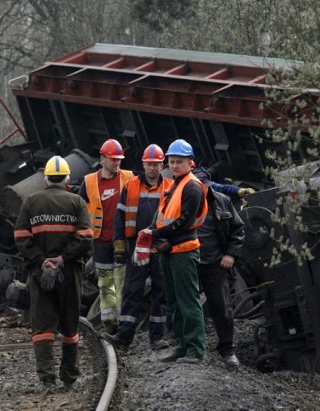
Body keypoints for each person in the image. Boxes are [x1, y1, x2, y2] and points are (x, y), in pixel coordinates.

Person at [14, 156, 93, 392]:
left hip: (39, 273)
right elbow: (86, 237)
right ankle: (69, 377)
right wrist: (61, 259)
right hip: (69, 272)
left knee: (42, 326)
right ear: (68, 178)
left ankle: (47, 378)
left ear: (45, 179)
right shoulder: (76, 202)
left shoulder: (31, 201)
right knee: (70, 325)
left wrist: (42, 262)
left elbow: (20, 237)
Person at [141, 139, 208, 364]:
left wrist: (155, 235)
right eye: (172, 162)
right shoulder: (175, 185)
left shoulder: (192, 186)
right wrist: (151, 230)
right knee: (175, 302)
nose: (175, 165)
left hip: (183, 251)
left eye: (179, 161)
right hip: (170, 251)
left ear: (190, 162)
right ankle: (182, 345)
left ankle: (195, 350)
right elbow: (162, 217)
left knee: (188, 300)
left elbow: (184, 221)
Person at [102, 144, 172, 351]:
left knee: (161, 292)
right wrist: (119, 245)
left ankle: (157, 338)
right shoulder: (131, 185)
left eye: (156, 165)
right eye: (149, 164)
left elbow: (174, 219)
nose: (152, 168)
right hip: (135, 248)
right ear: (143, 164)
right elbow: (119, 218)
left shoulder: (169, 187)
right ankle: (124, 338)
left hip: (159, 248)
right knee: (132, 291)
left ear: (162, 165)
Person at [79, 139, 133, 335]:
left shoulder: (129, 178)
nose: (117, 163)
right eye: (113, 159)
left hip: (122, 240)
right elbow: (80, 208)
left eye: (119, 160)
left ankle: (121, 322)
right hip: (100, 240)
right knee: (105, 281)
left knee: (121, 281)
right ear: (102, 159)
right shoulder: (89, 182)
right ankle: (109, 320)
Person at [196, 186, 245, 367]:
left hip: (214, 263)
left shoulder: (221, 200)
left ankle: (227, 350)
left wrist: (231, 254)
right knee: (184, 305)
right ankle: (191, 348)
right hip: (187, 262)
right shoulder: (176, 199)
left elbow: (237, 229)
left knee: (222, 306)